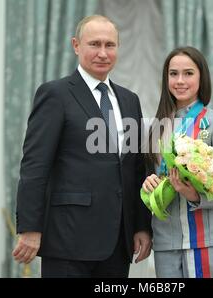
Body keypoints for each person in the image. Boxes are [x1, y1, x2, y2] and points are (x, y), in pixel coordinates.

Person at [12, 15, 152, 278]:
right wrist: (30, 228)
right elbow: (35, 165)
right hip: (68, 240)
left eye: (110, 45)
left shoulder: (130, 100)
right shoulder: (55, 94)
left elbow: (137, 169)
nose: (102, 53)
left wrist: (141, 226)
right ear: (76, 45)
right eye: (94, 44)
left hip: (117, 244)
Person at [142, 46, 213, 278]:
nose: (180, 80)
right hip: (167, 242)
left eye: (188, 73)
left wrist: (195, 195)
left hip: (207, 241)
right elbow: (149, 180)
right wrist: (148, 185)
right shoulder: (156, 128)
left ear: (201, 77)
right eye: (173, 74)